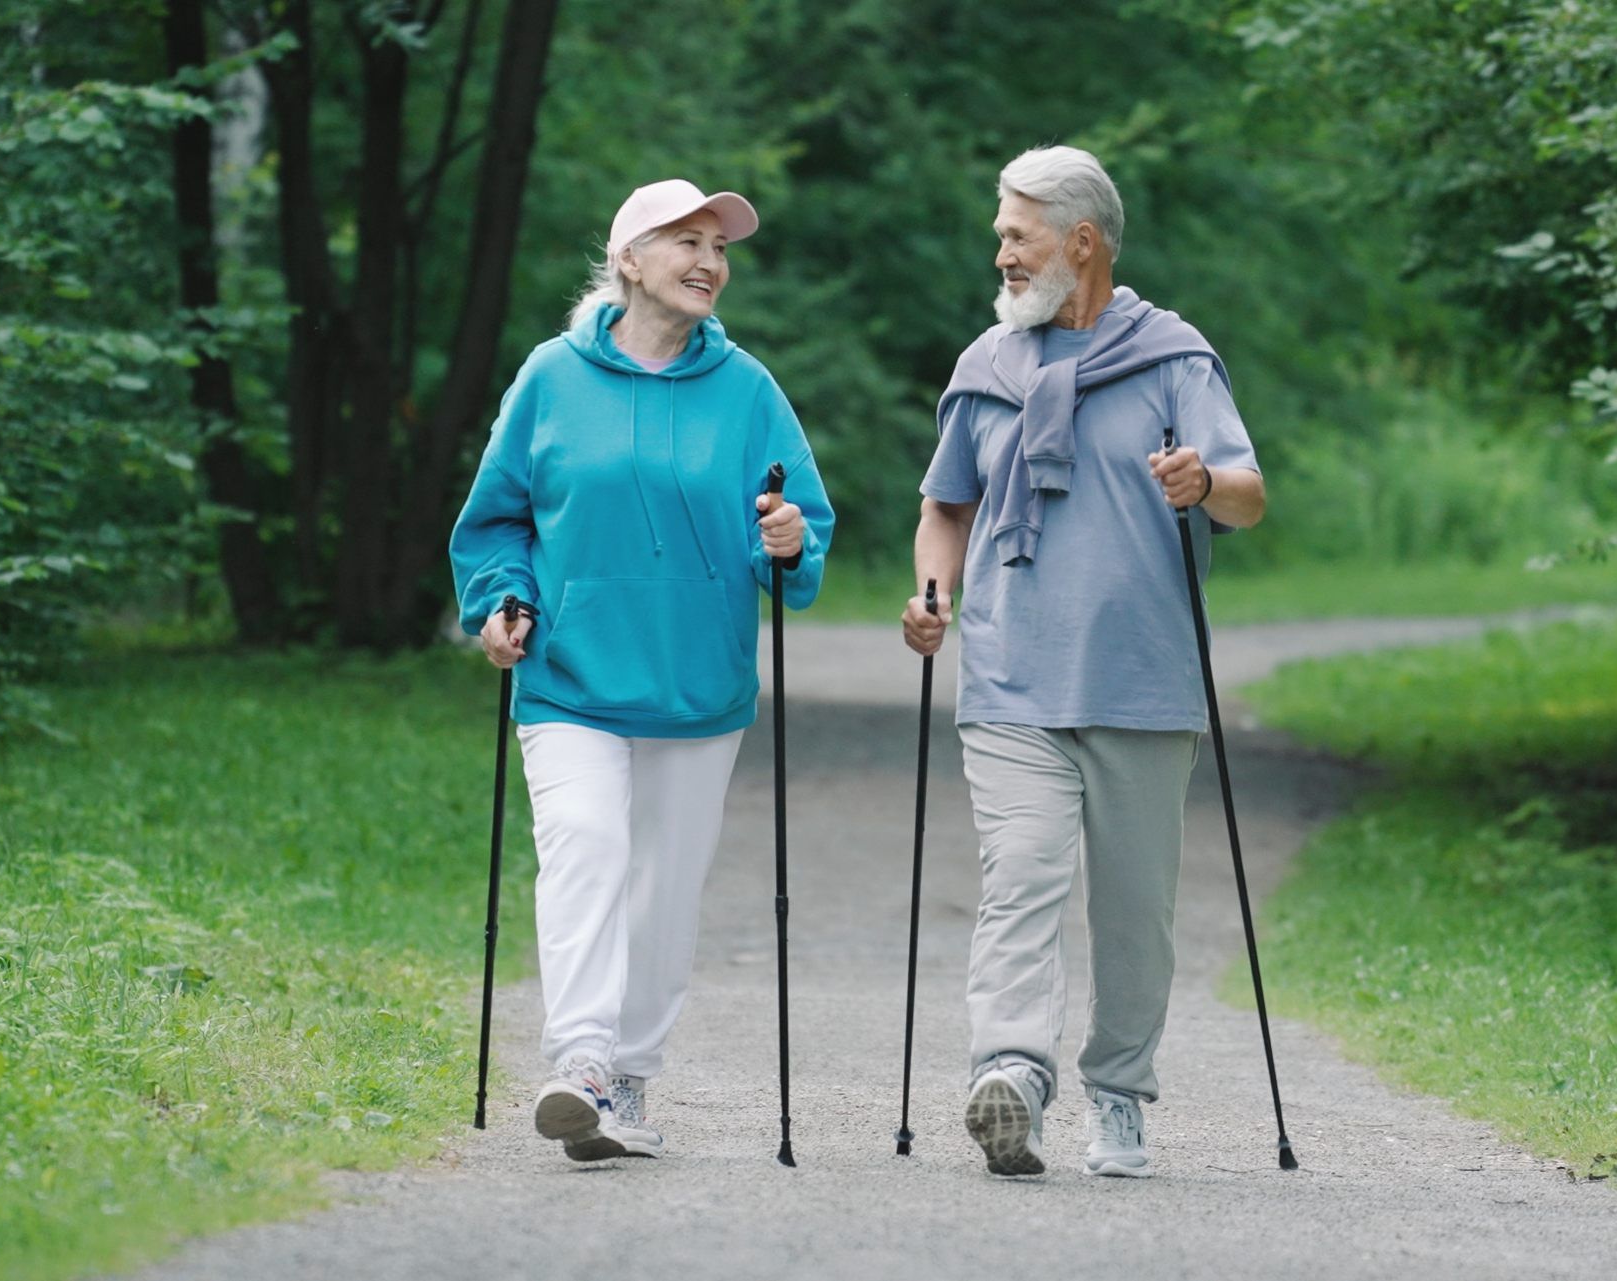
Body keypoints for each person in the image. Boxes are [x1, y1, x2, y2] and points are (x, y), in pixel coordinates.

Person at [450, 178, 834, 1162]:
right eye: (685, 241)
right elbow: (498, 519)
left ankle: (627, 1081)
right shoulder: (550, 376)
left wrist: (787, 542)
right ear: (628, 260)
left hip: (697, 685)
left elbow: (801, 535)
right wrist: (500, 601)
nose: (710, 260)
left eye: (720, 245)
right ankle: (578, 1064)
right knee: (584, 844)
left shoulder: (747, 390)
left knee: (663, 889)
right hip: (570, 673)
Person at [901, 146, 1266, 1179]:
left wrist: (1203, 483)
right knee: (1018, 878)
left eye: (1018, 235)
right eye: (1002, 237)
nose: (1003, 253)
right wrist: (934, 594)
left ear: (1083, 242)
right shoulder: (987, 367)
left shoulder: (1174, 362)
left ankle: (1119, 1093)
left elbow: (1248, 494)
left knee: (1134, 913)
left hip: (1142, 682)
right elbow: (947, 506)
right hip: (1011, 677)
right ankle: (1011, 1074)